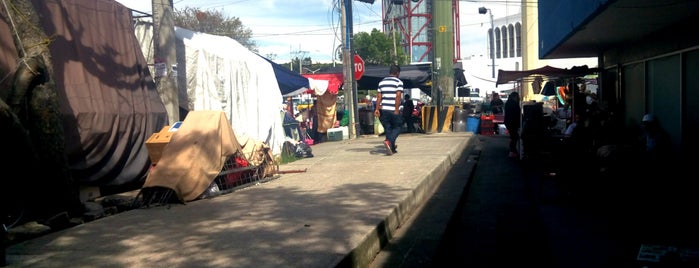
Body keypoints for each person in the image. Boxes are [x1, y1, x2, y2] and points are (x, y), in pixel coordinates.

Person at [375, 64, 404, 155]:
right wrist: (396, 109)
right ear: (397, 73)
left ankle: (391, 148)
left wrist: (377, 109)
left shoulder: (381, 82)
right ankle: (389, 141)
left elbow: (379, 96)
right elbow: (398, 95)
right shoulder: (398, 82)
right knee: (398, 127)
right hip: (393, 109)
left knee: (388, 128)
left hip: (384, 109)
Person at [503, 91, 521, 158]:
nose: (518, 98)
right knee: (514, 136)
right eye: (517, 97)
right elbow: (516, 113)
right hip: (512, 122)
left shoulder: (509, 102)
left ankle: (513, 150)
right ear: (515, 97)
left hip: (509, 122)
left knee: (513, 136)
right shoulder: (513, 103)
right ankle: (512, 151)